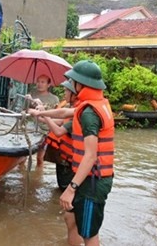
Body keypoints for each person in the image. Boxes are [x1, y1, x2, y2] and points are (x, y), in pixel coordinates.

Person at [29, 60, 114, 246]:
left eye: (72, 82)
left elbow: (91, 156)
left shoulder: (90, 114)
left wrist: (70, 189)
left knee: (89, 234)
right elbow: (65, 112)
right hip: (87, 177)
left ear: (80, 85)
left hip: (93, 181)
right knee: (70, 217)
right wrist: (40, 114)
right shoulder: (90, 106)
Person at [35, 80, 83, 246]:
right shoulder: (75, 109)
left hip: (70, 163)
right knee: (68, 212)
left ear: (74, 93)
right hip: (65, 159)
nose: (64, 94)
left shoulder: (77, 112)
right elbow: (57, 121)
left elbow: (58, 128)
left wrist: (43, 115)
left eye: (66, 91)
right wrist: (41, 114)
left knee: (71, 215)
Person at [25, 74, 60, 166]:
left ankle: (38, 177)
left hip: (44, 131)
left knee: (40, 158)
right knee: (23, 156)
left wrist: (40, 107)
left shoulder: (54, 99)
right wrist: (27, 101)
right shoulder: (31, 94)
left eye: (43, 82)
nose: (39, 84)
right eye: (38, 81)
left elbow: (56, 115)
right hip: (30, 128)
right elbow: (24, 111)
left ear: (48, 85)